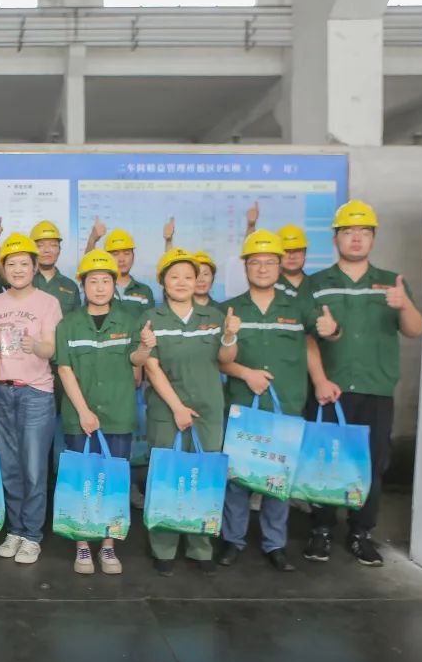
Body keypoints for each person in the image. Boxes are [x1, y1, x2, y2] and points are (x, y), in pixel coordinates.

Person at [303, 199, 422, 567]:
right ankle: (321, 529)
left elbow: (415, 330)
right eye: (348, 231)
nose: (356, 238)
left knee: (372, 464)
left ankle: (360, 533)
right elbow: (306, 338)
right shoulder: (317, 284)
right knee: (324, 462)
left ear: (373, 238)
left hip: (376, 388)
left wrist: (404, 305)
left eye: (364, 232)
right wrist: (320, 380)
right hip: (331, 391)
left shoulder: (391, 282)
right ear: (335, 238)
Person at [216, 231, 337, 573]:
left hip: (286, 405)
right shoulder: (231, 309)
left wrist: (332, 331)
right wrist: (246, 373)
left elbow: (316, 339)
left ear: (280, 265)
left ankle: (275, 544)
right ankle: (233, 540)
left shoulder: (297, 305)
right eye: (255, 262)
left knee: (277, 480)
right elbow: (221, 360)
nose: (263, 268)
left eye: (270, 262)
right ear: (245, 266)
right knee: (238, 480)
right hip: (244, 405)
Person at [141, 247, 240, 577]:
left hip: (208, 409)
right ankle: (164, 548)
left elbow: (226, 359)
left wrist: (230, 336)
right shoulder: (152, 319)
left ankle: (201, 547)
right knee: (167, 477)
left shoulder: (213, 317)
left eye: (188, 276)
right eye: (174, 276)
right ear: (163, 282)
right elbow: (151, 367)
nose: (182, 282)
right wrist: (177, 407)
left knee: (204, 477)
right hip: (166, 410)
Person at [55, 249, 153, 575]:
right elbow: (64, 369)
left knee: (113, 483)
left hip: (118, 414)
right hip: (79, 417)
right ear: (83, 285)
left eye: (106, 281)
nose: (99, 287)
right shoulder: (68, 325)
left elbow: (136, 360)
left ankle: (108, 545)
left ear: (114, 284)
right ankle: (82, 545)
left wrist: (146, 347)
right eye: (93, 281)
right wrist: (83, 412)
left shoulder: (129, 321)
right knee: (81, 480)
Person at [0, 233, 63, 565]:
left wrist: (36, 346)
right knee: (9, 467)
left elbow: (52, 348)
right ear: (4, 269)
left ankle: (32, 535)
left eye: (24, 264)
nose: (17, 269)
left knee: (33, 468)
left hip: (35, 393)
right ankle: (15, 530)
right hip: (1, 391)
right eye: (11, 264)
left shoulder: (48, 303)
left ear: (34, 267)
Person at [0, 220, 79, 315]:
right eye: (40, 245)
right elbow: (0, 270)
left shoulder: (70, 286)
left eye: (53, 245)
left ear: (59, 250)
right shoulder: (20, 277)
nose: (47, 250)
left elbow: (77, 320)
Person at [83, 221, 155, 311]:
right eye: (115, 254)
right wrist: (92, 239)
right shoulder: (100, 288)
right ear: (107, 258)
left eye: (126, 253)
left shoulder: (145, 291)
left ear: (133, 256)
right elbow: (88, 269)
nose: (121, 259)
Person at [275, 224, 309, 298]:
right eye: (286, 251)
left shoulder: (317, 287)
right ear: (277, 255)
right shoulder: (268, 288)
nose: (292, 256)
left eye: (297, 250)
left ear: (305, 253)